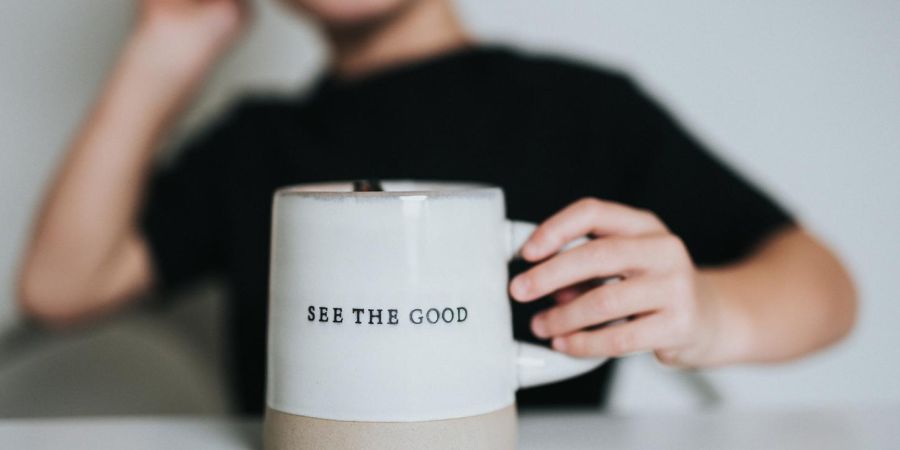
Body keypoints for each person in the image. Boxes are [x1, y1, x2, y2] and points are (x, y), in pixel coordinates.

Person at [17, 0, 856, 414]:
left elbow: (824, 287)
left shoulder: (583, 109)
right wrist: (166, 44)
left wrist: (707, 313)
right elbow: (61, 288)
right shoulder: (252, 143)